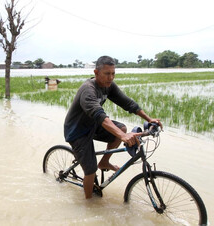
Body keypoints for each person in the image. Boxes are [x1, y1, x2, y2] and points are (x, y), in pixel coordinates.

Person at [64, 56, 162, 199]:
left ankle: (104, 162)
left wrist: (149, 119)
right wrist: (123, 137)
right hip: (77, 131)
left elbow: (128, 103)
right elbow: (100, 115)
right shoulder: (88, 90)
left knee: (121, 128)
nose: (110, 77)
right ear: (96, 73)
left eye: (113, 73)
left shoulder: (109, 86)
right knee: (90, 170)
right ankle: (89, 203)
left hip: (92, 125)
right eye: (107, 74)